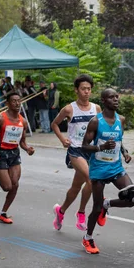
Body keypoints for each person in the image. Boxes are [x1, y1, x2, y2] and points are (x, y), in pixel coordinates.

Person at [81, 88, 134, 254]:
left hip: (116, 167)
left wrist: (125, 153)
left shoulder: (121, 120)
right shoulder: (96, 121)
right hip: (99, 168)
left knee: (132, 197)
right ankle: (88, 237)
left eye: (117, 96)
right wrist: (101, 147)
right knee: (95, 208)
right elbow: (84, 146)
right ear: (104, 100)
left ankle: (107, 204)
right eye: (112, 97)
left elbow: (118, 141)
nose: (116, 99)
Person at [50, 74, 101, 232]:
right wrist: (62, 139)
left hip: (90, 151)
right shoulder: (69, 109)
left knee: (76, 187)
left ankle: (61, 211)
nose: (86, 92)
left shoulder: (96, 108)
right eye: (83, 89)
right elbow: (54, 124)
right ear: (76, 90)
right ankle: (81, 213)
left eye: (89, 89)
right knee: (91, 179)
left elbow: (100, 128)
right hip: (76, 150)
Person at [0, 92, 35, 224]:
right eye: (14, 101)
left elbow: (22, 142)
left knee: (15, 184)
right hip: (0, 154)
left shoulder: (23, 121)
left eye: (19, 101)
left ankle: (3, 213)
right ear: (7, 103)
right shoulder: (0, 119)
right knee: (7, 187)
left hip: (14, 154)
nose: (17, 103)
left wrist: (27, 149)